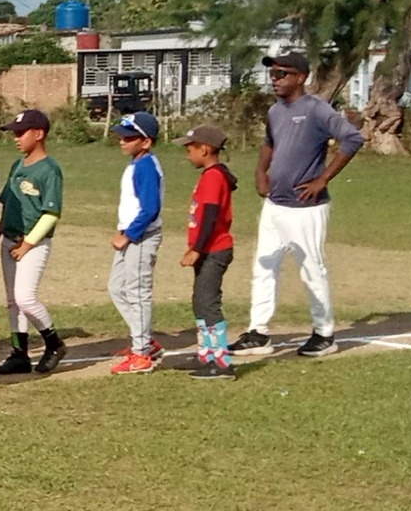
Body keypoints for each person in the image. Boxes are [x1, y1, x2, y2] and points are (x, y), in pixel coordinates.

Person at [233, 51, 364, 359]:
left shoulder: (316, 109)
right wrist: (261, 171)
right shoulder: (275, 111)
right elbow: (270, 142)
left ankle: (324, 333)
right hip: (275, 204)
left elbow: (352, 139)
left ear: (301, 77)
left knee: (311, 269)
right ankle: (258, 332)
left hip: (306, 207)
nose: (275, 80)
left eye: (281, 74)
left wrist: (323, 179)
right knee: (264, 267)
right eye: (272, 74)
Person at [0, 109, 67, 375]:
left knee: (25, 298)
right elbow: (8, 204)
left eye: (21, 133)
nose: (16, 138)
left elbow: (51, 214)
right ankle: (19, 353)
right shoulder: (17, 165)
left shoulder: (49, 170)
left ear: (38, 134)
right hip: (9, 239)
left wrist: (27, 245)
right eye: (14, 133)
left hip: (33, 243)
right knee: (12, 301)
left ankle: (54, 344)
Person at [176, 124, 238, 381]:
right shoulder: (210, 175)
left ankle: (222, 362)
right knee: (200, 301)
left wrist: (197, 249)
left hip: (214, 250)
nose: (187, 154)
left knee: (208, 303)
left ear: (205, 149)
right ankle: (206, 354)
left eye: (190, 149)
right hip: (207, 250)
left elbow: (211, 216)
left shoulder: (214, 177)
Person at [108, 112, 166, 375]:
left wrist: (128, 234)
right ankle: (145, 340)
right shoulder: (136, 163)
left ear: (146, 141)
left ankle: (141, 354)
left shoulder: (146, 167)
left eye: (129, 137)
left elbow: (150, 208)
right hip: (132, 234)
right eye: (122, 136)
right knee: (117, 288)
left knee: (137, 292)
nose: (123, 141)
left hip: (142, 236)